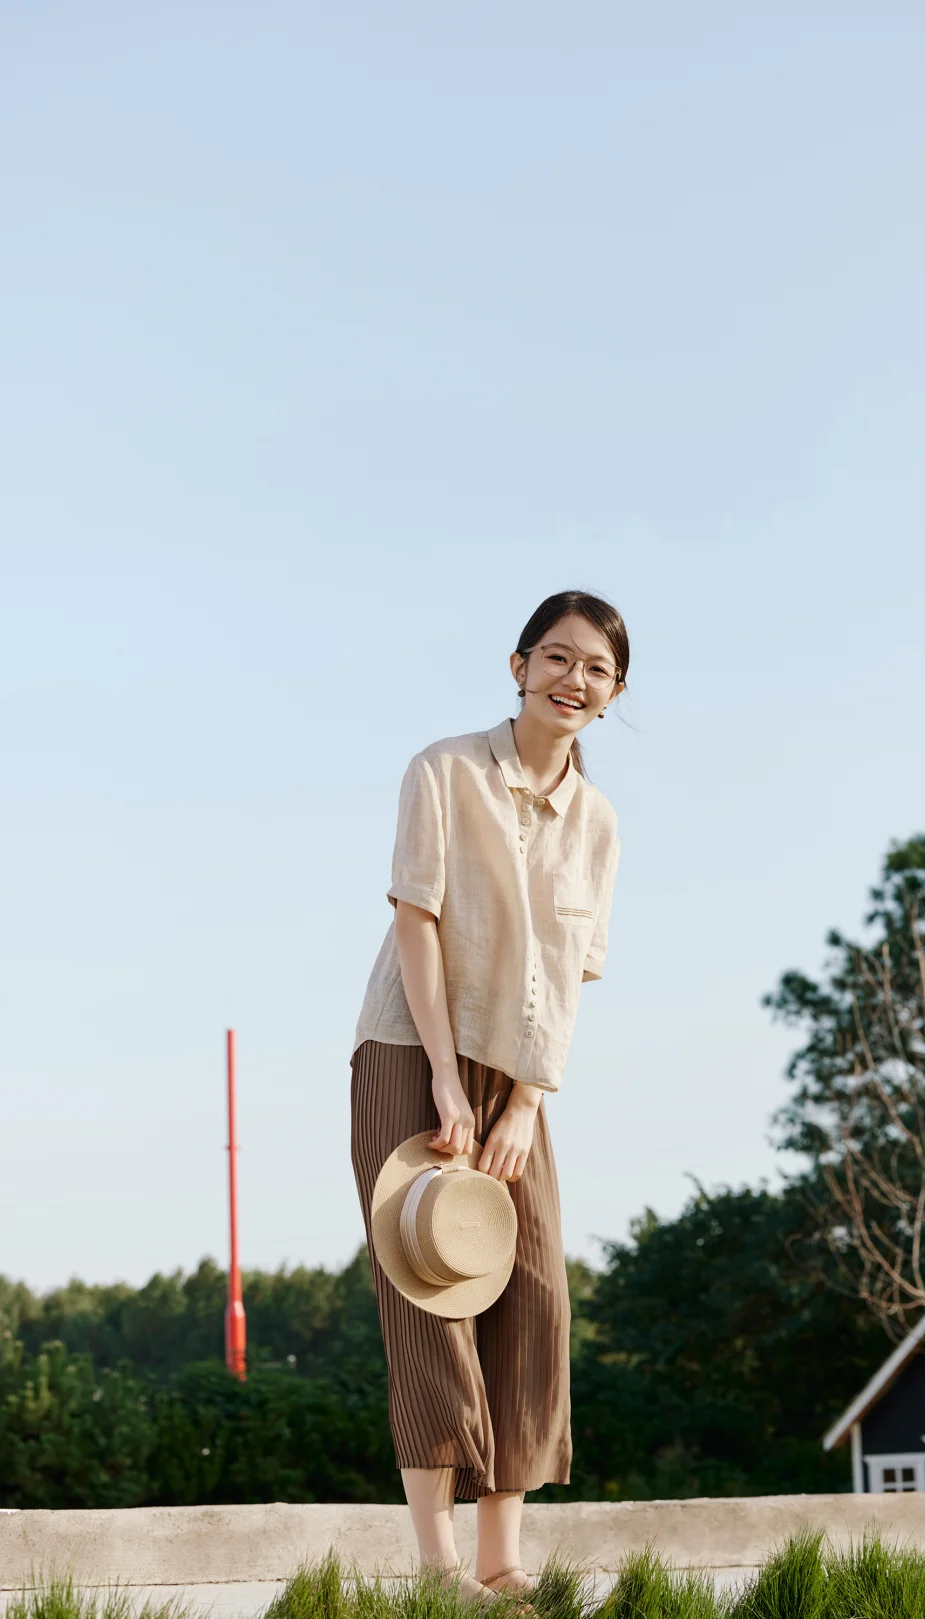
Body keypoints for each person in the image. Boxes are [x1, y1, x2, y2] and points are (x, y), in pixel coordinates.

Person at [349, 589, 627, 1602]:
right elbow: (418, 922)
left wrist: (524, 1099)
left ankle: (504, 1557)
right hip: (407, 1048)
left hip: (521, 1079)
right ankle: (438, 1568)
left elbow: (567, 974)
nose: (573, 679)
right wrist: (439, 1076)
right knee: (428, 1297)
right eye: (556, 658)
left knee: (532, 1294)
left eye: (594, 669)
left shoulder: (598, 823)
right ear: (518, 667)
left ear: (614, 692)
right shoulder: (445, 769)